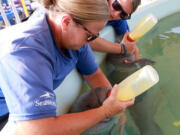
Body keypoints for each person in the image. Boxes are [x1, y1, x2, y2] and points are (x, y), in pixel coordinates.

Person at [0, 0, 134, 134]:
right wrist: (105, 111)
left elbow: (94, 74)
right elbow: (38, 130)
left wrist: (113, 105)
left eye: (95, 37)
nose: (91, 42)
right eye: (89, 36)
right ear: (66, 22)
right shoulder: (26, 54)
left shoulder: (71, 38)